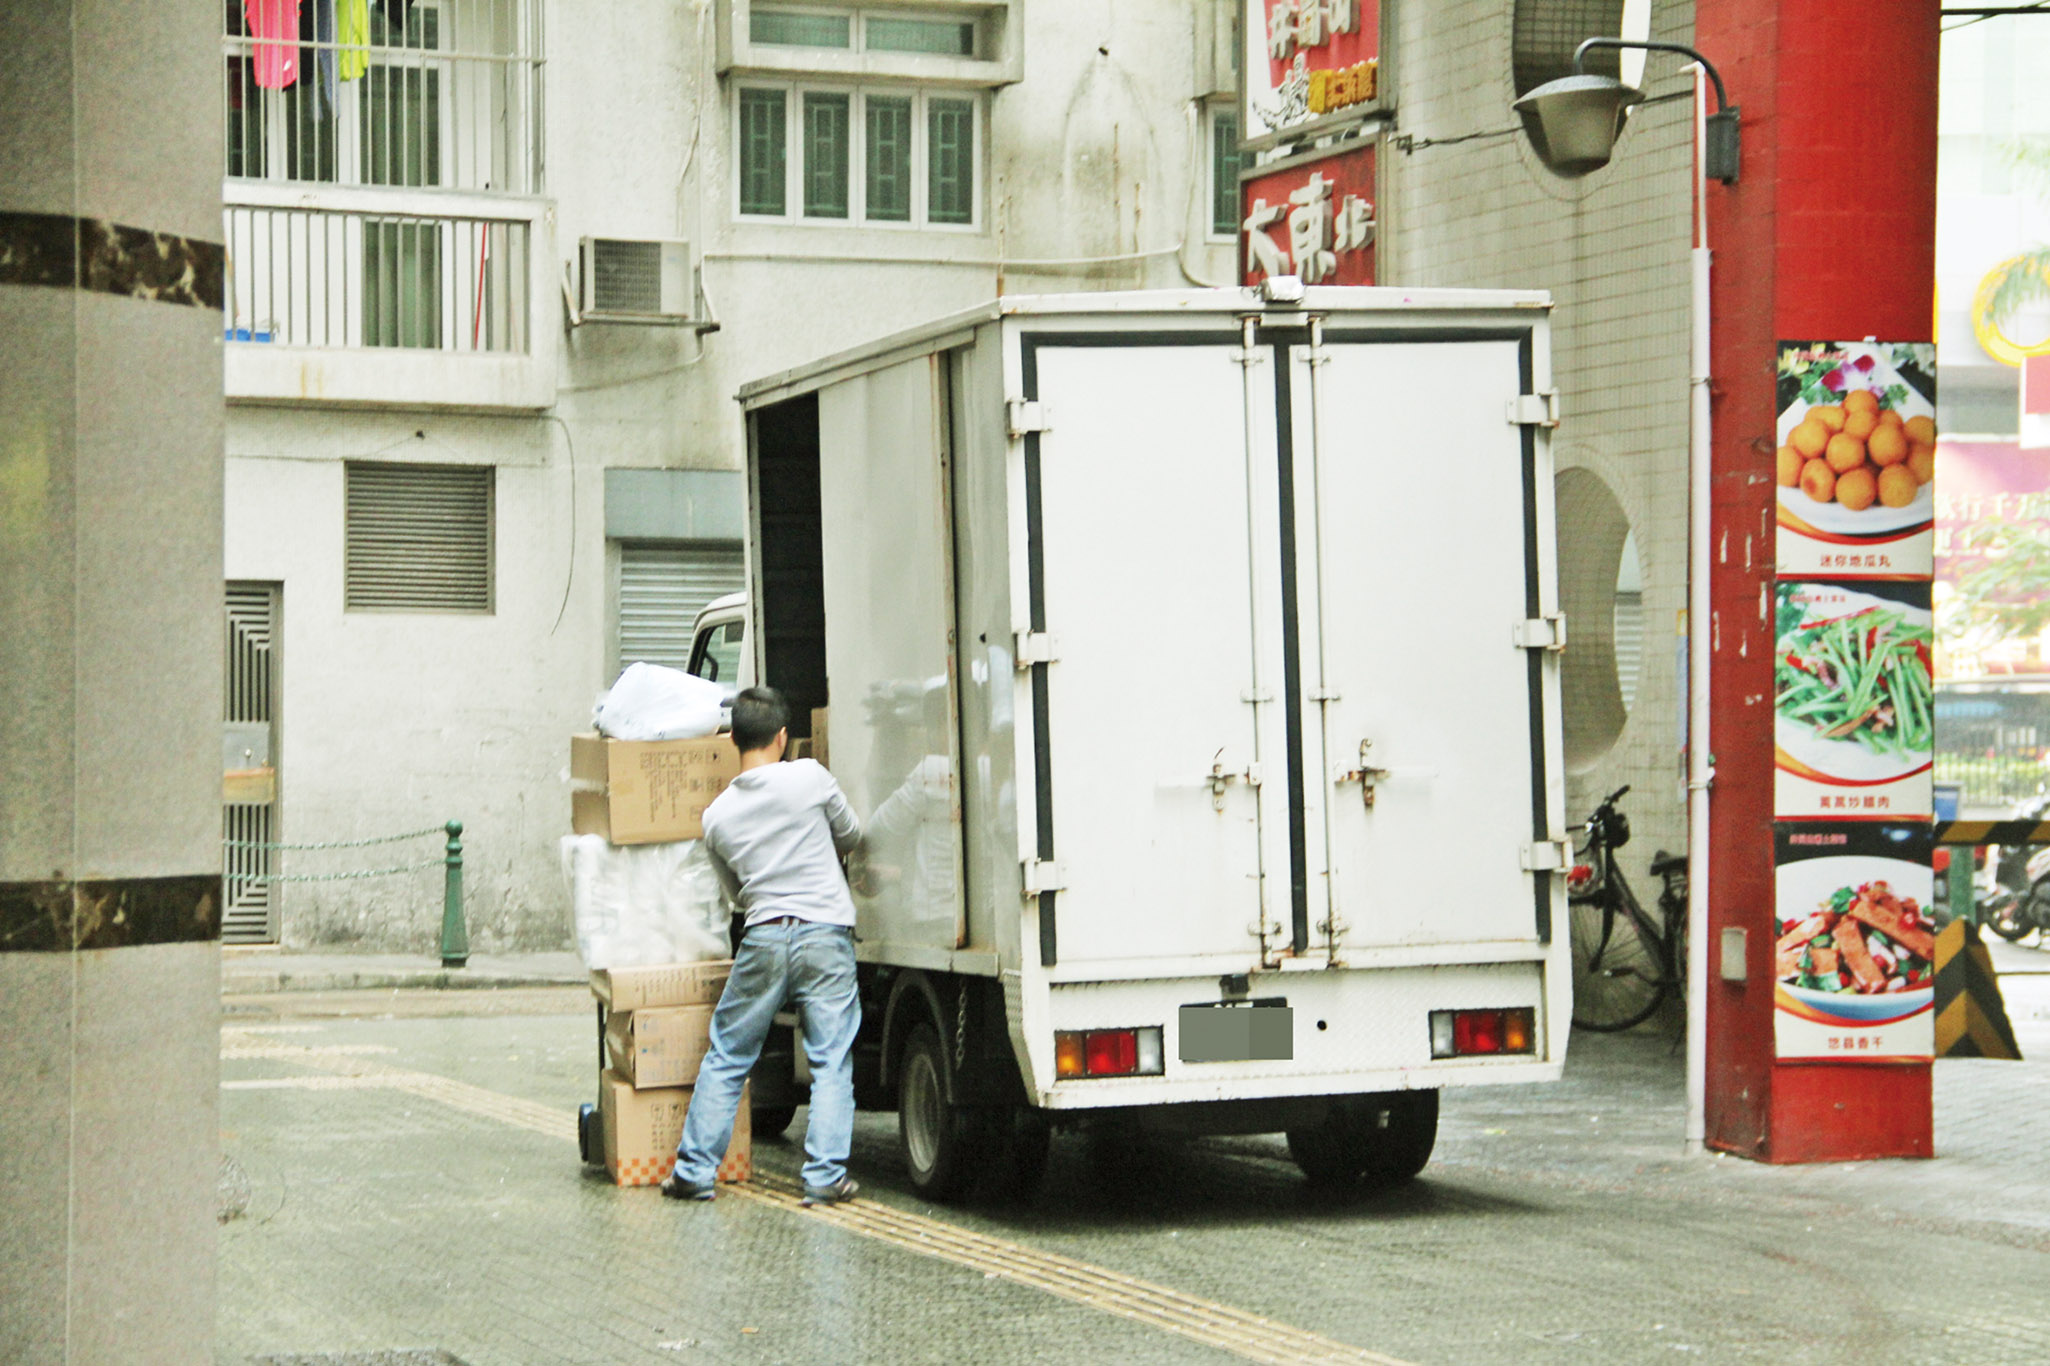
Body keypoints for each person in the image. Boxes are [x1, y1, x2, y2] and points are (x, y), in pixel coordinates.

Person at [662, 685, 864, 1206]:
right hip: (825, 934)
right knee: (830, 1059)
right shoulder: (810, 778)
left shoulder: (716, 817)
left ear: (733, 739)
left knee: (729, 1054)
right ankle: (823, 1177)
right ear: (782, 736)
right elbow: (851, 835)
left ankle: (693, 1172)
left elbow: (735, 896)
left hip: (765, 935)